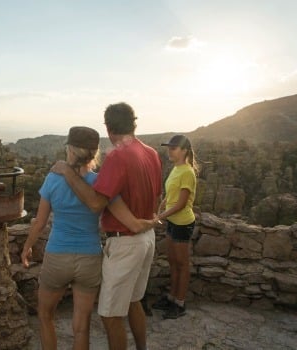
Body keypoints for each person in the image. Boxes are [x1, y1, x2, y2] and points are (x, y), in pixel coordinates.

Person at [22, 126, 153, 350]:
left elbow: (40, 222)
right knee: (81, 326)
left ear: (70, 150)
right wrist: (149, 222)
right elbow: (124, 216)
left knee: (45, 315)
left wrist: (27, 247)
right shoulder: (101, 182)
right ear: (94, 154)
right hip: (90, 257)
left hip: (58, 256)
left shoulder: (53, 179)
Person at [51, 103, 163, 350]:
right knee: (134, 301)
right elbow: (154, 195)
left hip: (125, 243)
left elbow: (94, 203)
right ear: (133, 124)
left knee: (111, 315)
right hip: (146, 237)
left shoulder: (117, 156)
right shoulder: (151, 153)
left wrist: (67, 172)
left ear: (108, 128)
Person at [151, 134, 197, 319]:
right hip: (172, 222)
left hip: (182, 224)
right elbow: (170, 197)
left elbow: (181, 204)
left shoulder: (187, 171)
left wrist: (159, 216)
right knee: (172, 262)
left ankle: (180, 302)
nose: (169, 151)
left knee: (182, 264)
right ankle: (171, 297)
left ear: (184, 150)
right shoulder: (176, 169)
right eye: (168, 147)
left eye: (173, 148)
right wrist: (161, 207)